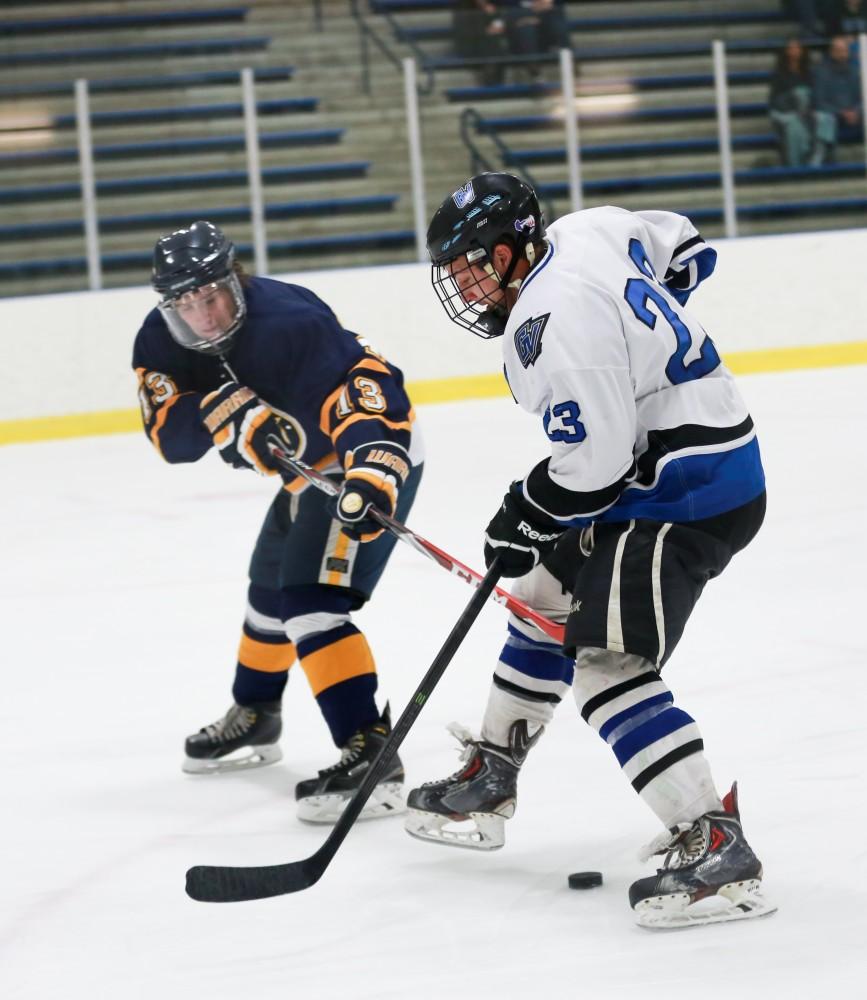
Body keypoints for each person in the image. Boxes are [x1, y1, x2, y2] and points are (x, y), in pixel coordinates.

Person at [404, 173, 776, 929]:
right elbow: (682, 245)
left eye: (474, 264)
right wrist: (645, 343)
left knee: (606, 668)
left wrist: (526, 509)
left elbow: (596, 465)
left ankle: (715, 849)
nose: (466, 283)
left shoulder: (551, 322)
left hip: (684, 493)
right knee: (542, 590)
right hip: (671, 468)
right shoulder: (589, 228)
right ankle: (493, 771)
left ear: (512, 250)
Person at [132, 221, 423, 823]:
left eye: (211, 296)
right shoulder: (159, 342)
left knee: (309, 604)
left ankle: (369, 751)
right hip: (303, 477)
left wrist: (370, 470)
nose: (204, 317)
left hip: (360, 462)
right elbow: (172, 440)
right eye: (185, 304)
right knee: (267, 591)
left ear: (234, 281)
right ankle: (257, 716)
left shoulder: (291, 320)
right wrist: (221, 413)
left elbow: (367, 390)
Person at [811, 34, 863, 164]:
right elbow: (819, 101)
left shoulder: (856, 71)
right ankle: (826, 160)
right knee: (825, 118)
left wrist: (856, 111)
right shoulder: (821, 72)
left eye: (844, 50)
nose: (842, 54)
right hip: (832, 114)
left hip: (856, 114)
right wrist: (841, 112)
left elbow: (863, 97)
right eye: (838, 51)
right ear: (831, 52)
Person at [769, 38, 815, 165]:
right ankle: (794, 162)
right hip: (784, 112)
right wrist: (792, 97)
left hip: (805, 111)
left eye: (797, 48)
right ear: (786, 52)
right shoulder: (779, 73)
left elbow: (814, 94)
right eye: (791, 48)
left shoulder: (808, 72)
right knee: (794, 124)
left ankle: (814, 160)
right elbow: (774, 100)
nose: (794, 51)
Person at [452, 0, 508, 86]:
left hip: (491, 44)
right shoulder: (463, 9)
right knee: (492, 43)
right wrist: (485, 31)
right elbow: (464, 31)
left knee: (494, 42)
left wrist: (493, 15)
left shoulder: (492, 7)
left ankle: (494, 76)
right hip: (471, 43)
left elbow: (499, 26)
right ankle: (491, 77)